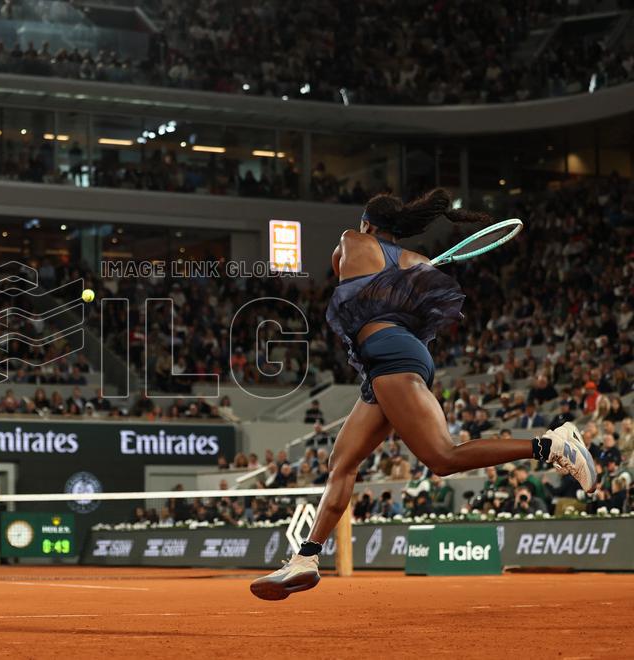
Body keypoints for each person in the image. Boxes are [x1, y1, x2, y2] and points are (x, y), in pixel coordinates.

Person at [251, 189, 596, 600]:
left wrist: (386, 275)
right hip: (390, 361)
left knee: (442, 458)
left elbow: (338, 267)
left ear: (367, 224)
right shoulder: (416, 263)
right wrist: (402, 277)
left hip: (392, 357)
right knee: (341, 462)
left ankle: (551, 445)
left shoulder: (352, 240)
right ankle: (306, 557)